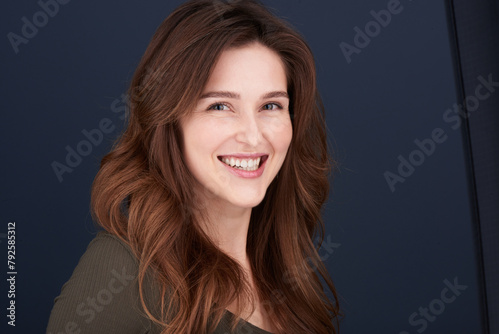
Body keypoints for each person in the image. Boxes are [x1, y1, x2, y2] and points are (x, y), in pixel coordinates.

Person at [47, 0, 340, 333]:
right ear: (171, 123)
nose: (253, 136)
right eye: (219, 106)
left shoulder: (285, 277)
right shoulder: (124, 271)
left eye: (271, 105)